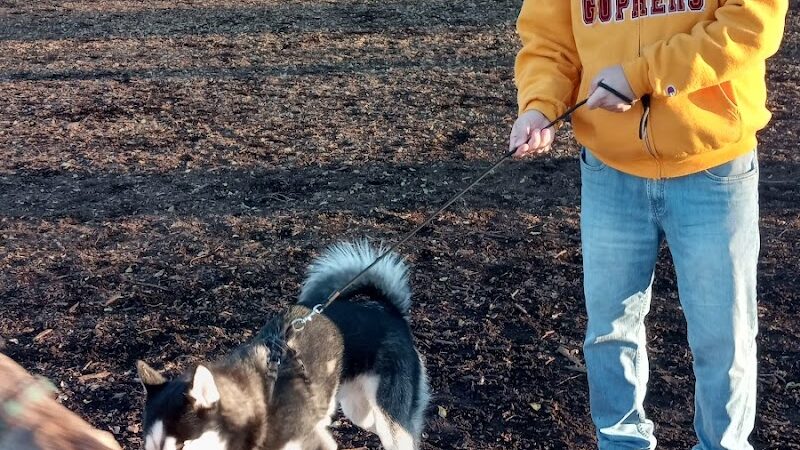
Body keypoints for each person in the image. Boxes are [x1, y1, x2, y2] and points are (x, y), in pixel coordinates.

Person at [509, 1, 788, 449]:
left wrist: (641, 74)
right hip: (608, 170)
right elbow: (549, 41)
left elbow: (751, 24)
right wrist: (540, 105)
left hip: (714, 167)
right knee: (609, 331)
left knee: (725, 333)